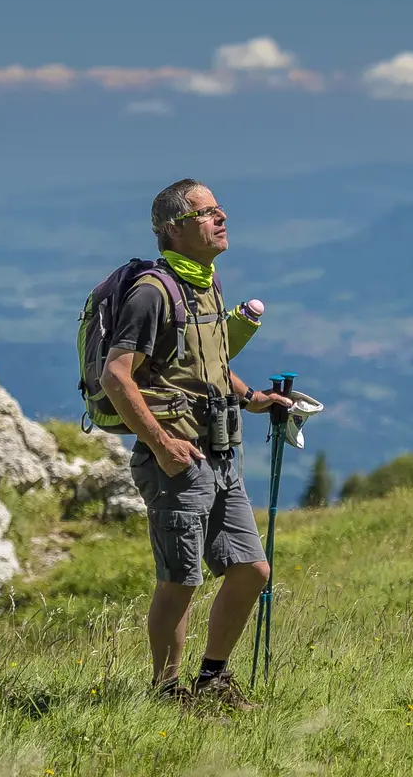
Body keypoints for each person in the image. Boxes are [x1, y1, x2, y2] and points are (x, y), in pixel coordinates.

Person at [98, 178, 291, 710]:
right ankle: (165, 693)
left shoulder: (206, 282)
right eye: (208, 213)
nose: (221, 218)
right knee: (180, 580)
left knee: (252, 570)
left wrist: (252, 397)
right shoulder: (151, 293)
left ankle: (212, 679)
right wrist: (160, 444)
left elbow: (209, 365)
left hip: (221, 449)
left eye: (220, 210)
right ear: (174, 230)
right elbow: (118, 376)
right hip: (176, 458)